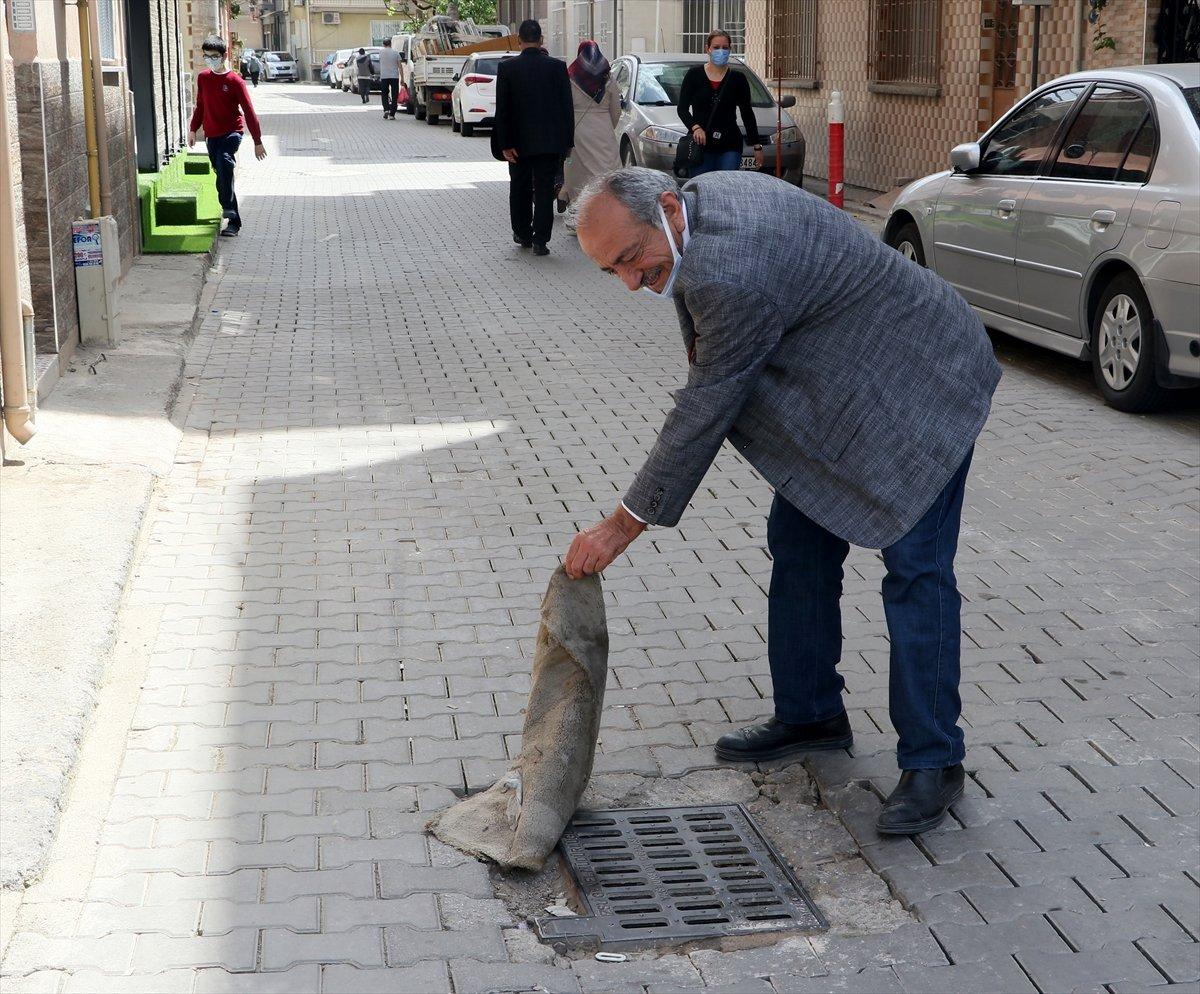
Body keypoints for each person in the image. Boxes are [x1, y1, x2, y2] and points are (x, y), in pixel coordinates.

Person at [565, 167, 1002, 836]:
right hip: (848, 388)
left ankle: (935, 761)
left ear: (669, 209)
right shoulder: (702, 208)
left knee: (917, 571)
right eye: (610, 271)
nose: (630, 281)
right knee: (799, 544)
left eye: (630, 259)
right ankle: (810, 715)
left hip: (924, 384)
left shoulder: (729, 270)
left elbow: (706, 406)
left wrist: (621, 526)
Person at [493, 20, 573, 257]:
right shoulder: (557, 68)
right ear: (541, 40)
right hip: (549, 143)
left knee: (519, 188)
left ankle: (522, 233)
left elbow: (503, 109)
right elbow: (566, 108)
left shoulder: (508, 68)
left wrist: (505, 143)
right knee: (545, 189)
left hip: (517, 144)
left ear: (519, 40)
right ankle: (541, 240)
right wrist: (567, 142)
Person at [188, 35, 267, 238]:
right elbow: (201, 106)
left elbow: (249, 112)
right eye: (206, 56)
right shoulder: (204, 78)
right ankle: (231, 211)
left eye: (214, 56)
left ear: (224, 56)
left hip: (232, 132)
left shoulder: (235, 81)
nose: (210, 60)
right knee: (221, 173)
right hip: (211, 134)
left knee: (225, 162)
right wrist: (192, 129)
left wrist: (257, 141)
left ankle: (232, 217)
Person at [677, 29, 763, 176]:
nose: (720, 51)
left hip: (730, 144)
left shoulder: (738, 79)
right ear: (708, 49)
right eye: (716, 47)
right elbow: (682, 109)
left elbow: (747, 112)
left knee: (726, 187)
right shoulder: (694, 75)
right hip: (701, 145)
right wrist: (695, 128)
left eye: (725, 47)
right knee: (703, 187)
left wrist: (757, 146)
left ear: (730, 49)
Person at [560, 40, 621, 233]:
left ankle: (579, 217)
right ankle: (605, 216)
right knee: (605, 173)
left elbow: (565, 108)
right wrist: (607, 126)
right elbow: (616, 111)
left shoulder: (570, 77)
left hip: (578, 130)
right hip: (603, 131)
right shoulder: (608, 78)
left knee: (579, 174)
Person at [379, 38, 401, 119]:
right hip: (394, 76)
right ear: (391, 44)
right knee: (395, 95)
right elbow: (400, 66)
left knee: (384, 93)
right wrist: (402, 78)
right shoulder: (396, 53)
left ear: (383, 44)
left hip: (384, 76)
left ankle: (386, 110)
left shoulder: (380, 52)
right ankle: (392, 114)